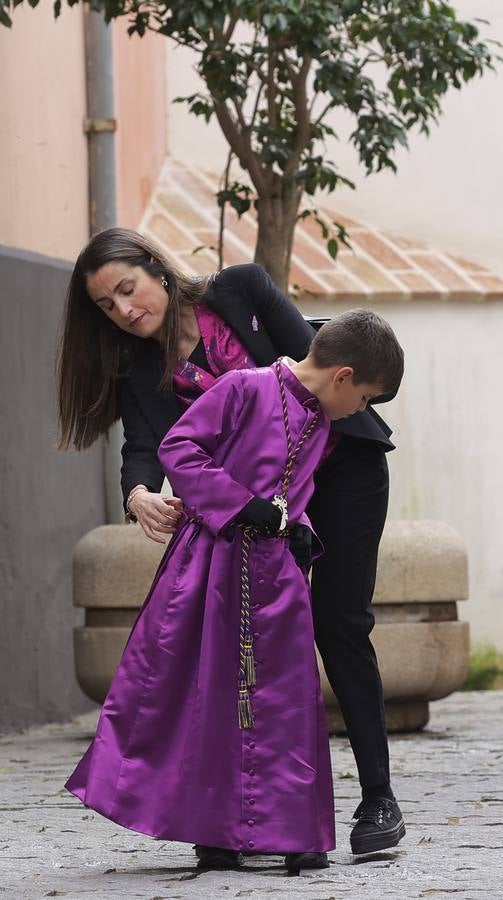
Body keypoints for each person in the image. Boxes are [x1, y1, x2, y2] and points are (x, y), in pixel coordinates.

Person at [57, 229, 406, 862]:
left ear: (157, 270)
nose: (125, 310)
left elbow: (317, 364)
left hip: (340, 474)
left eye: (128, 289)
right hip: (250, 513)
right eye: (107, 305)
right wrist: (138, 494)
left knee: (339, 625)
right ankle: (232, 814)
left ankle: (377, 797)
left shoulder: (239, 290)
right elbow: (145, 447)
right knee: (232, 650)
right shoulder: (140, 368)